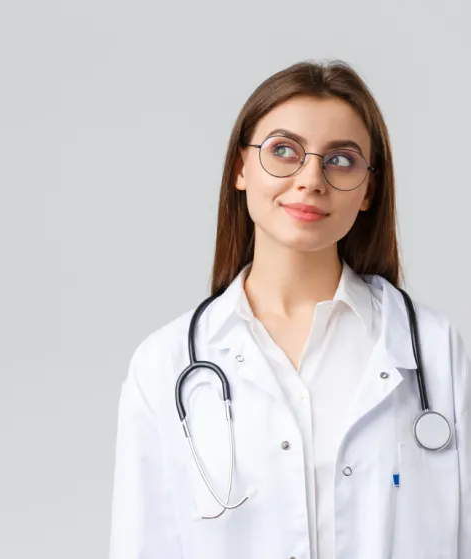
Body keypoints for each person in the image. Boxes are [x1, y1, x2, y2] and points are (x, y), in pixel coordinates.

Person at [108, 59, 470, 559]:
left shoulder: (432, 349)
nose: (311, 179)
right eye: (284, 151)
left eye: (341, 160)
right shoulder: (164, 364)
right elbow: (141, 544)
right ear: (240, 168)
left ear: (368, 189)